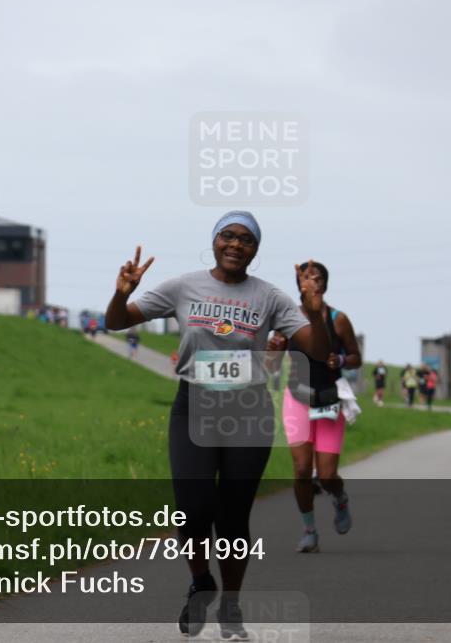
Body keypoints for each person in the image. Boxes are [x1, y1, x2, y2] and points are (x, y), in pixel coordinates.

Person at [105, 211, 330, 640]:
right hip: (194, 406)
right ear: (214, 241)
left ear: (255, 250)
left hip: (248, 412)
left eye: (246, 240)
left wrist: (315, 314)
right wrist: (121, 295)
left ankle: (231, 606)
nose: (235, 244)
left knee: (232, 517)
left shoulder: (271, 297)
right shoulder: (183, 286)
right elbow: (116, 322)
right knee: (192, 510)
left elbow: (316, 351)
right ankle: (200, 581)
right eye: (228, 235)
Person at [265, 261, 362, 554]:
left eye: (318, 278)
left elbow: (356, 356)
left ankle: (339, 497)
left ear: (325, 285)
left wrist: (342, 361)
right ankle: (309, 530)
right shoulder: (287, 319)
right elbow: (270, 368)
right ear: (299, 285)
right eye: (307, 278)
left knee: (328, 474)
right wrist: (273, 349)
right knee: (302, 469)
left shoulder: (339, 319)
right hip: (297, 399)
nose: (313, 283)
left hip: (330, 398)